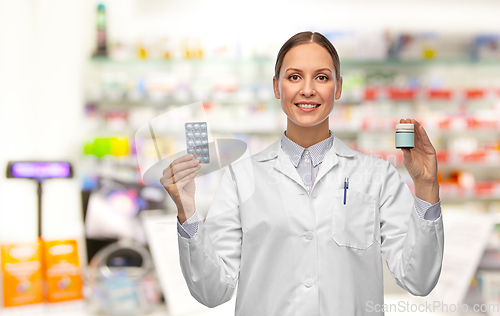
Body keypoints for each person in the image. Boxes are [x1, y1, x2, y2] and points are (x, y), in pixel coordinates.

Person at [161, 31, 444, 316]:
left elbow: (418, 280)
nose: (307, 89)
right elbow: (212, 291)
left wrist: (426, 186)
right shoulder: (241, 177)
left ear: (339, 87)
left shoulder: (376, 176)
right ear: (276, 86)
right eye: (294, 77)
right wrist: (187, 213)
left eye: (322, 77)